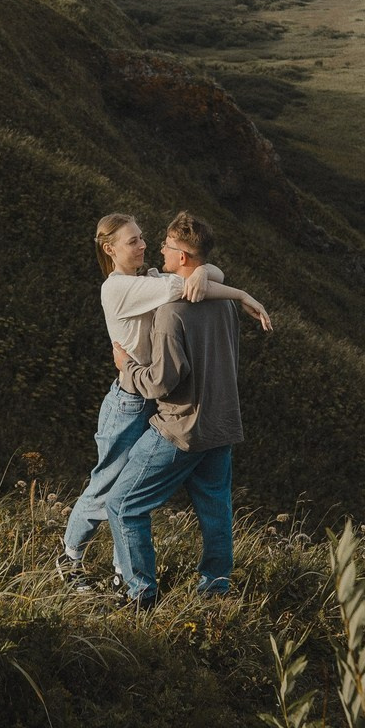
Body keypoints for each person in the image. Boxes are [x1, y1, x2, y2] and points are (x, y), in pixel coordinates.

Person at [56, 212, 270, 592]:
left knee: (126, 495)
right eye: (133, 241)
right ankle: (70, 556)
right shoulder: (117, 288)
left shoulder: (150, 278)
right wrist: (232, 289)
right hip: (130, 401)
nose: (144, 245)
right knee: (106, 488)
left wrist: (209, 274)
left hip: (153, 396)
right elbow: (186, 284)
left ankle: (128, 575)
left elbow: (195, 279)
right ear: (109, 249)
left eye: (143, 238)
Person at [107, 211, 255, 609]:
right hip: (222, 424)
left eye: (168, 247)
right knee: (215, 511)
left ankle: (141, 595)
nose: (159, 250)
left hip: (181, 428)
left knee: (122, 503)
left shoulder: (171, 312)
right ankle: (215, 593)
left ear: (185, 259)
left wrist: (128, 370)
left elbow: (160, 382)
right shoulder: (223, 306)